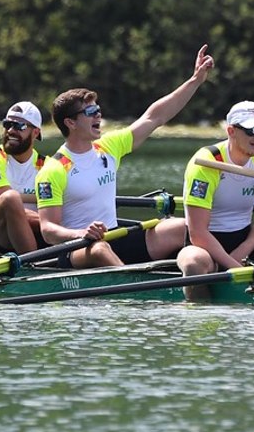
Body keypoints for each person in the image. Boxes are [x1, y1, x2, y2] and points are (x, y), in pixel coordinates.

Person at [34, 44, 214, 268]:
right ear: (70, 123)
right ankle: (134, 291)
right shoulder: (53, 170)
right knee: (100, 249)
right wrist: (82, 233)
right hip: (79, 248)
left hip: (116, 236)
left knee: (183, 226)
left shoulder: (107, 147)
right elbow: (48, 230)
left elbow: (154, 117)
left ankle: (205, 271)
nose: (98, 114)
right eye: (90, 112)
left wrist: (195, 80)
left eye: (98, 109)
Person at [175, 101, 254, 300]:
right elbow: (197, 232)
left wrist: (239, 255)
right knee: (194, 262)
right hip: (205, 246)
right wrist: (233, 266)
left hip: (246, 242)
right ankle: (200, 314)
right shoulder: (208, 162)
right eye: (251, 130)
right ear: (231, 131)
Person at [0, 101, 49, 263]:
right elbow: (6, 204)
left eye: (19, 126)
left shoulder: (47, 166)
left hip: (37, 236)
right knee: (10, 199)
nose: (11, 130)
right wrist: (52, 224)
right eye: (7, 124)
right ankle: (34, 268)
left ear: (35, 133)